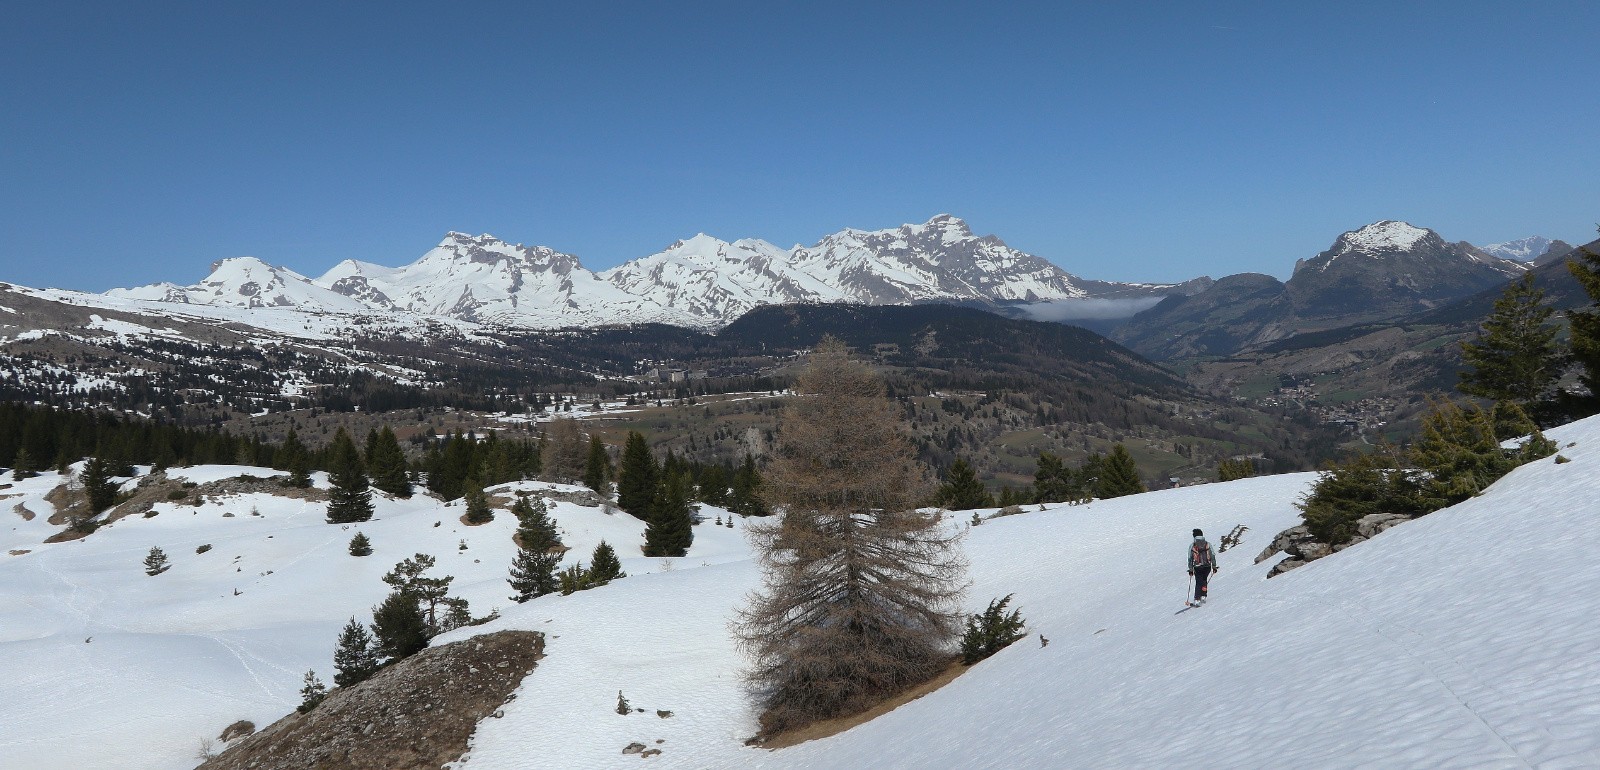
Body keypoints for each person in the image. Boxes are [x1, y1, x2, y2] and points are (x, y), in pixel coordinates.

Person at [1187, 528, 1217, 605]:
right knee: (1204, 580)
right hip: (1207, 566)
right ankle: (1203, 595)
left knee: (1198, 582)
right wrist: (1214, 566)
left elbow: (1190, 558)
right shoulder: (1207, 544)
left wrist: (1190, 569)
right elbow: (1212, 555)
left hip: (1198, 566)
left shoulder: (1192, 545)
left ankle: (1197, 599)